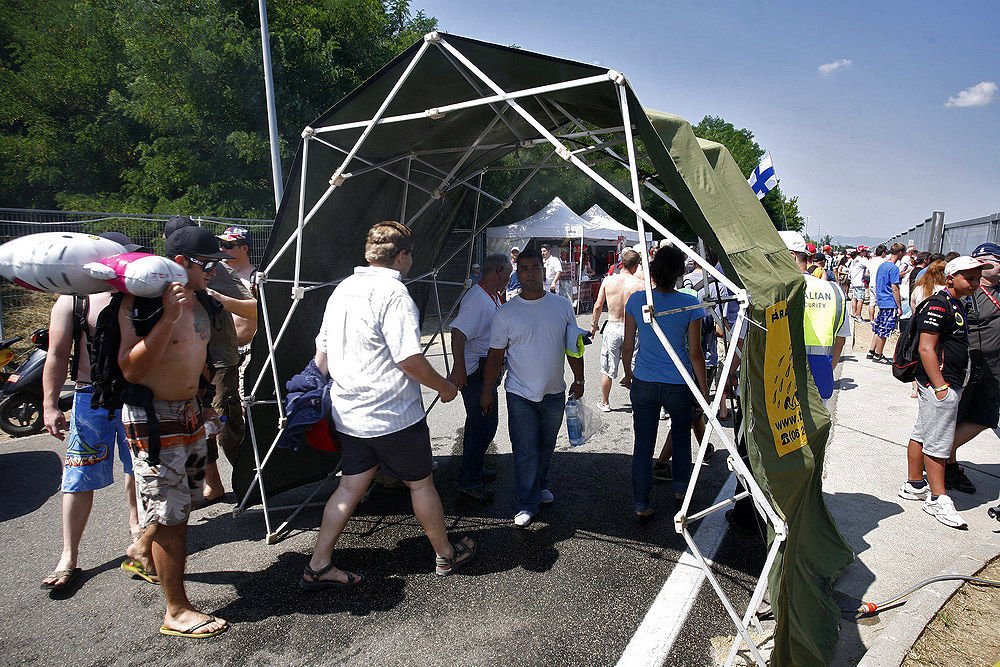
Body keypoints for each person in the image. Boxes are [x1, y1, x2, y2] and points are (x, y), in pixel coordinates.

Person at [304, 221, 475, 588]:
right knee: (420, 484)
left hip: (349, 412)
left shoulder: (344, 290)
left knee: (350, 486)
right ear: (402, 256)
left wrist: (310, 392)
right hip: (393, 415)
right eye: (410, 254)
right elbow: (408, 359)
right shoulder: (395, 295)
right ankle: (446, 554)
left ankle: (318, 564)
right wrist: (444, 387)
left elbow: (323, 352)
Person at [119, 225, 230, 637]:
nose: (214, 271)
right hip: (153, 418)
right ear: (180, 263)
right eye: (208, 264)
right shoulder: (141, 304)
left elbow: (198, 358)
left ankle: (141, 552)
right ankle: (176, 610)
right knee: (173, 515)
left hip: (188, 414)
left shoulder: (202, 300)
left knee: (179, 500)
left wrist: (204, 405)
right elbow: (131, 367)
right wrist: (167, 316)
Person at [39, 232, 144, 591]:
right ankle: (69, 555)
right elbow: (55, 354)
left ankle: (137, 531)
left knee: (138, 468)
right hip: (89, 398)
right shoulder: (74, 300)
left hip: (134, 395)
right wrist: (50, 404)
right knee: (78, 476)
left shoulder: (138, 295)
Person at [481, 248, 584, 528]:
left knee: (546, 445)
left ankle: (539, 485)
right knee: (525, 448)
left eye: (535, 267)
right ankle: (527, 502)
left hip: (554, 391)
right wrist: (488, 390)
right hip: (519, 394)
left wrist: (580, 378)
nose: (530, 273)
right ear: (517, 272)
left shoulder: (561, 305)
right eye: (524, 268)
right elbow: (495, 356)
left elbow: (573, 344)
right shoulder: (506, 313)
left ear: (543, 270)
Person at [163, 216, 256, 504]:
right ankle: (213, 484)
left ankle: (249, 482)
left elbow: (255, 309)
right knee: (198, 427)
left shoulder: (215, 269)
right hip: (187, 363)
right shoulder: (163, 275)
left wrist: (219, 299)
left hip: (219, 360)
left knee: (227, 423)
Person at [897, 255, 992, 529]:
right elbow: (926, 348)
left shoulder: (955, 304)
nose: (975, 283)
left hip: (946, 383)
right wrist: (940, 387)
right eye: (969, 278)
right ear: (950, 278)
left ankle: (915, 484)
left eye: (977, 278)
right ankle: (938, 498)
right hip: (940, 384)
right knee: (938, 442)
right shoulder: (939, 305)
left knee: (922, 432)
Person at [621, 245, 708, 522]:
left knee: (642, 444)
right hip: (678, 382)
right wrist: (703, 390)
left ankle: (640, 503)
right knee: (681, 438)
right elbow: (695, 353)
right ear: (680, 272)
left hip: (644, 380)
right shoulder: (690, 303)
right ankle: (681, 492)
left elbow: (627, 345)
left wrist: (627, 373)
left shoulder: (637, 300)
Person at [449, 253, 511, 501]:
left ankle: (474, 470)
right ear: (496, 271)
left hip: (486, 369)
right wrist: (460, 368)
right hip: (476, 373)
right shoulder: (477, 299)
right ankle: (468, 480)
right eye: (507, 274)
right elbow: (457, 334)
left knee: (484, 425)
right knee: (481, 426)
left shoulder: (490, 295)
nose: (508, 279)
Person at [947, 242, 1000, 495]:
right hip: (968, 366)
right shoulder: (966, 293)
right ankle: (943, 458)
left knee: (984, 417)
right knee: (959, 416)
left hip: (992, 369)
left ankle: (943, 457)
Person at [783, 233, 850, 402]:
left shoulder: (779, 291)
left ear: (791, 256)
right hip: (820, 378)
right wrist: (827, 368)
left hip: (782, 381)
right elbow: (840, 341)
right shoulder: (834, 291)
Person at [590, 249, 643, 412]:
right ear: (635, 266)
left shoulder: (608, 281)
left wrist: (594, 325)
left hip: (613, 326)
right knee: (635, 367)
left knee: (607, 368)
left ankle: (605, 402)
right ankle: (637, 403)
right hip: (632, 328)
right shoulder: (640, 284)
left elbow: (598, 305)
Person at [867, 243, 904, 364]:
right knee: (885, 329)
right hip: (889, 302)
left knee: (878, 328)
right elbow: (895, 288)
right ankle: (878, 354)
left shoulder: (883, 265)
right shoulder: (893, 268)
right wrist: (899, 306)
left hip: (882, 300)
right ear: (900, 253)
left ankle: (872, 350)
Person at [866, 245, 888, 322]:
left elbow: (867, 272)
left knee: (872, 302)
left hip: (872, 283)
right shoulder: (884, 261)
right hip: (880, 284)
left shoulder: (870, 261)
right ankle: (881, 319)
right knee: (881, 302)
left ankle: (871, 319)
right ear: (883, 253)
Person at [848, 249, 868, 322]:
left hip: (854, 282)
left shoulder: (854, 260)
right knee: (860, 299)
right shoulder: (862, 260)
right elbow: (869, 266)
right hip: (859, 282)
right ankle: (858, 315)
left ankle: (853, 313)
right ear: (862, 252)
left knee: (854, 298)